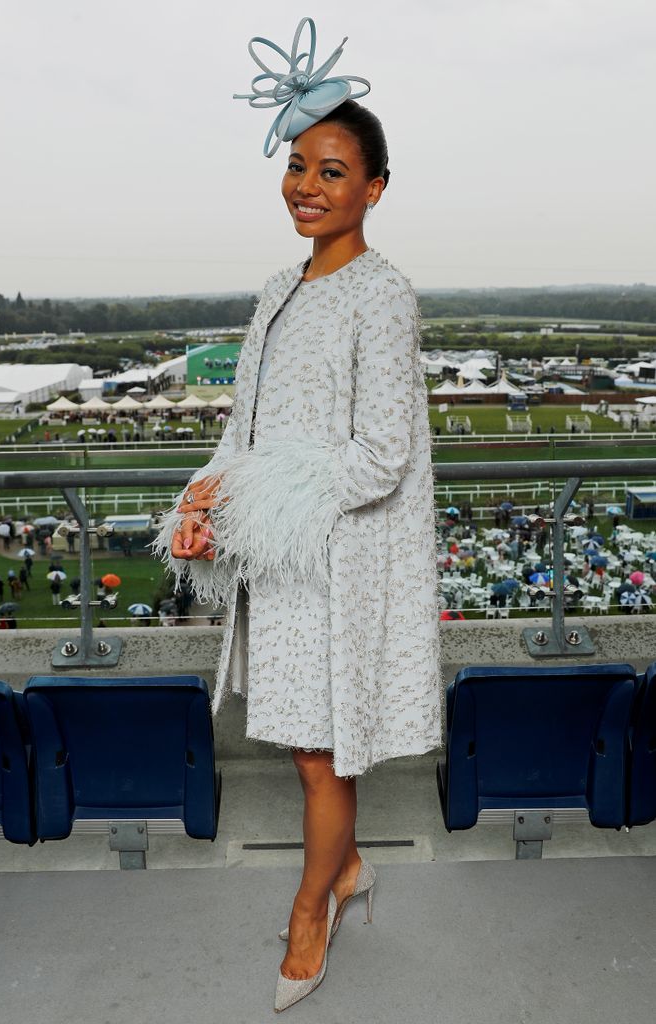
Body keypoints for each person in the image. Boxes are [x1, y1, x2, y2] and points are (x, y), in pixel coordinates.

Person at [152, 18, 440, 1013]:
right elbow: (243, 431)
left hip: (335, 563)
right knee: (299, 740)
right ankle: (348, 863)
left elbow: (379, 456)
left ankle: (312, 905)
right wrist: (202, 500)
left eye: (329, 169)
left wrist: (258, 507)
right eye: (294, 165)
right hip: (280, 561)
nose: (305, 185)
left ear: (373, 188)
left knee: (321, 751)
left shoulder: (382, 294)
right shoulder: (277, 287)